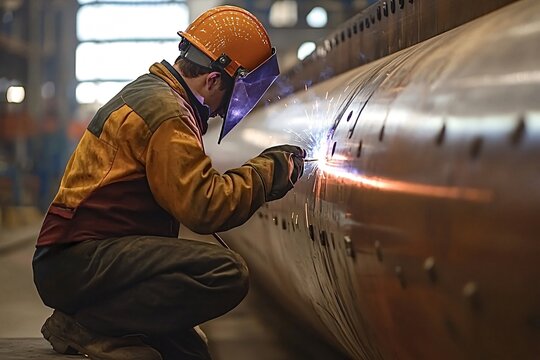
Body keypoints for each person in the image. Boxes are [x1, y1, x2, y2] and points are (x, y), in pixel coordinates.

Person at [32, 6, 305, 360]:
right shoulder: (169, 113)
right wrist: (268, 172)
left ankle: (102, 322)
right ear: (213, 80)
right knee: (226, 272)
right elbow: (204, 208)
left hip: (86, 259)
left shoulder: (158, 95)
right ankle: (89, 325)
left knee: (191, 352)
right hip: (77, 262)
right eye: (229, 97)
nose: (222, 112)